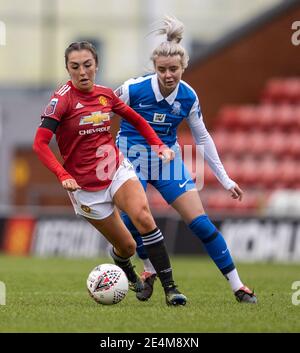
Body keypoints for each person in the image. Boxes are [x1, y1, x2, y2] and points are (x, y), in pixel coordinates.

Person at [32, 41, 187, 306]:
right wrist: (62, 174)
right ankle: (126, 267)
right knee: (127, 247)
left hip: (114, 169)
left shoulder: (106, 94)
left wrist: (158, 145)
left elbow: (137, 119)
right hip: (85, 189)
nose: (82, 72)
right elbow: (39, 143)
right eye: (75, 67)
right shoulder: (61, 101)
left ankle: (171, 289)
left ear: (97, 65)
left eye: (87, 65)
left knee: (144, 217)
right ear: (68, 69)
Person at [115, 16, 257, 304]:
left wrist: (226, 179)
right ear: (154, 68)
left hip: (166, 161)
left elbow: (203, 138)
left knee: (202, 224)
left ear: (184, 67)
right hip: (131, 160)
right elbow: (104, 113)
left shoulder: (189, 97)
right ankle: (148, 270)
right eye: (162, 69)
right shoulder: (133, 89)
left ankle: (238, 286)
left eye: (174, 69)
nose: (168, 75)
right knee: (135, 219)